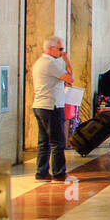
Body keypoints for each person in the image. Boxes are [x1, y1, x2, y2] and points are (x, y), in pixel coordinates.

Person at [32, 36, 75, 182]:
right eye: (60, 49)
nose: (62, 52)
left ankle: (41, 172)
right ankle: (59, 173)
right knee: (58, 142)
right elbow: (70, 78)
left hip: (40, 105)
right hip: (51, 107)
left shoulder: (40, 62)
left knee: (44, 141)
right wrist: (67, 60)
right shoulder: (50, 63)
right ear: (51, 48)